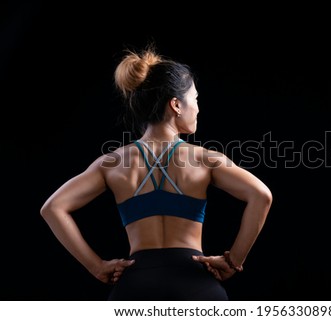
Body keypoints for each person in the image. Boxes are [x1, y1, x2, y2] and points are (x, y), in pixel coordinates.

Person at [40, 44, 272, 300]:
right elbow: (262, 195)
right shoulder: (206, 159)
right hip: (196, 287)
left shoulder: (112, 162)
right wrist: (233, 260)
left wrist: (96, 266)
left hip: (135, 288)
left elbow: (52, 208)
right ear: (176, 105)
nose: (198, 108)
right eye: (195, 99)